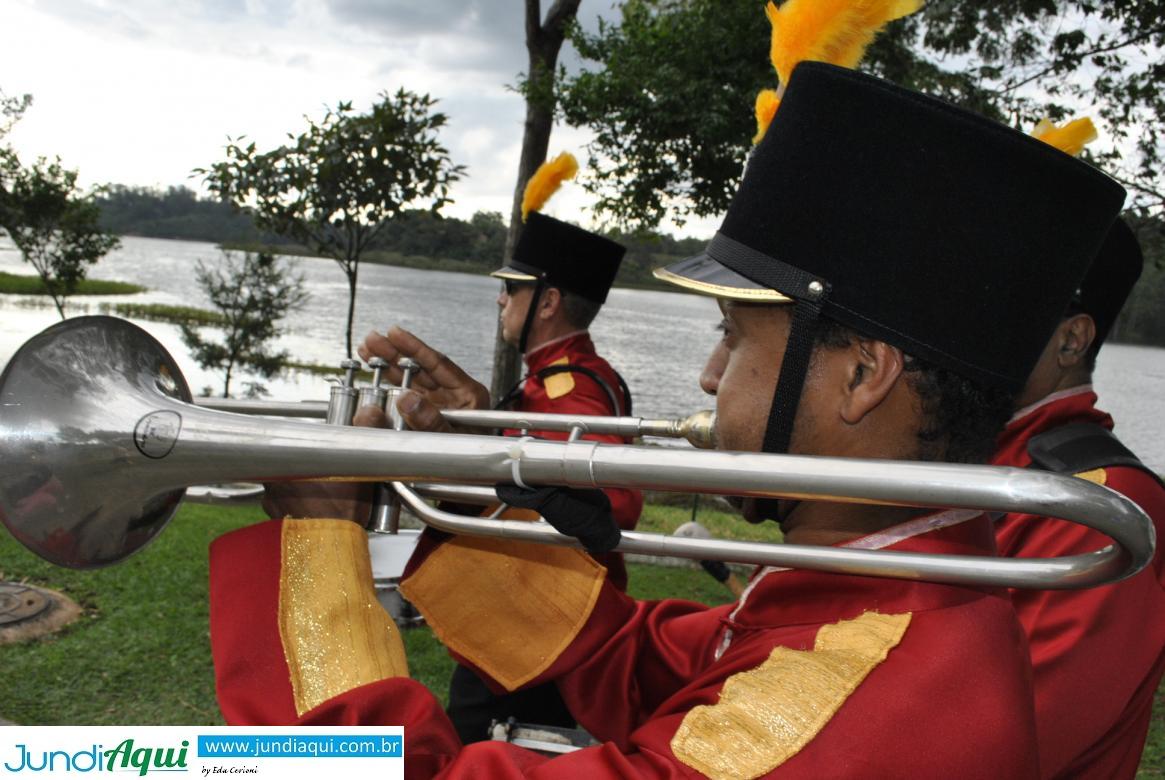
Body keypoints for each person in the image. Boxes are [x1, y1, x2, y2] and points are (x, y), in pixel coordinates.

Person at [208, 61, 1128, 777]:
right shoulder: (867, 589)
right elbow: (625, 655)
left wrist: (318, 551)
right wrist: (461, 473)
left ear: (860, 376)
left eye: (732, 336)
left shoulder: (863, 681)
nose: (706, 372)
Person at [991, 217, 1165, 779]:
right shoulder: (973, 454)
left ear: (1071, 340)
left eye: (989, 305)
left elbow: (1017, 748)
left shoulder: (1104, 508)